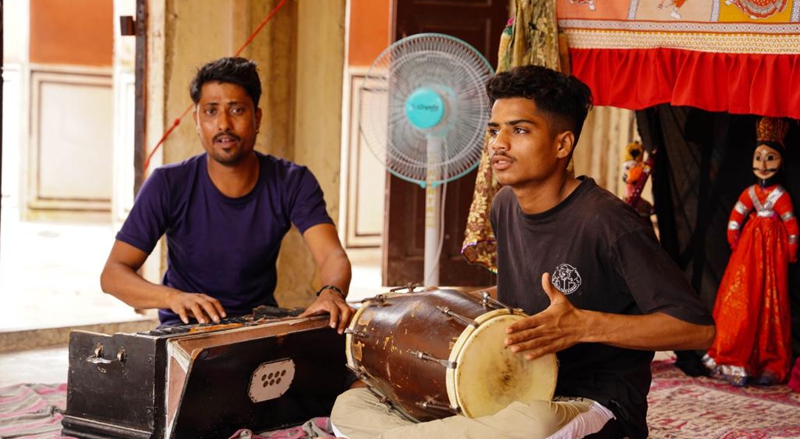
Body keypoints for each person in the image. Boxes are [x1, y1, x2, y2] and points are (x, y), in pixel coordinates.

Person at [330, 65, 715, 439]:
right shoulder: (505, 206)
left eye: (519, 130)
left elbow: (698, 330)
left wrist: (583, 325)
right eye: (495, 129)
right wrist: (432, 307)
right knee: (351, 407)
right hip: (512, 389)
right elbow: (517, 297)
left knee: (528, 428)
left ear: (563, 144)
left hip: (589, 402)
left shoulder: (609, 223)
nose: (499, 143)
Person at [100, 56, 353, 332]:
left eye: (236, 110)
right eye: (211, 111)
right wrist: (173, 298)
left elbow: (332, 255)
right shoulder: (168, 183)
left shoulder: (292, 181)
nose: (223, 124)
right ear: (196, 119)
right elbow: (113, 274)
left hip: (255, 327)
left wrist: (331, 291)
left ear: (257, 117)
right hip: (184, 330)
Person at [703, 116, 797, 386]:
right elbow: (736, 217)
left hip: (772, 256)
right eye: (759, 158)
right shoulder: (750, 192)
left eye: (770, 158)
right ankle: (733, 359)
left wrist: (791, 249)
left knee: (770, 302)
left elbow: (791, 225)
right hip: (747, 256)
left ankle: (768, 361)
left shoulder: (780, 195)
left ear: (781, 161)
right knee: (742, 300)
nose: (763, 165)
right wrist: (735, 239)